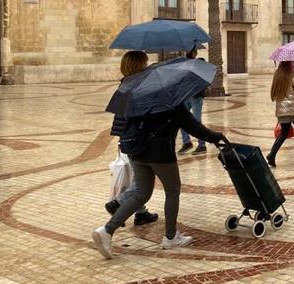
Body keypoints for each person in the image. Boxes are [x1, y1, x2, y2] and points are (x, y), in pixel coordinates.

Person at [92, 59, 226, 259]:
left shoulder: (137, 94)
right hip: (160, 153)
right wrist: (217, 137)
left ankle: (107, 230)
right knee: (173, 190)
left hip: (137, 150)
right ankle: (171, 237)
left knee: (141, 193)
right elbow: (194, 127)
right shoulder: (172, 103)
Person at [105, 51, 159, 227]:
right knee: (142, 180)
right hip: (136, 137)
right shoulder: (135, 87)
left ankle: (141, 213)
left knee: (138, 176)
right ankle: (118, 203)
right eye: (144, 63)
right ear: (138, 66)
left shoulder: (125, 85)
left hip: (126, 137)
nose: (146, 66)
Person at [178, 48, 207, 155]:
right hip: (185, 96)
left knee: (197, 121)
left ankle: (202, 145)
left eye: (191, 51)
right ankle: (187, 142)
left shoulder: (200, 62)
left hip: (196, 96)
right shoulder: (183, 64)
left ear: (195, 53)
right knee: (181, 119)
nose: (188, 53)